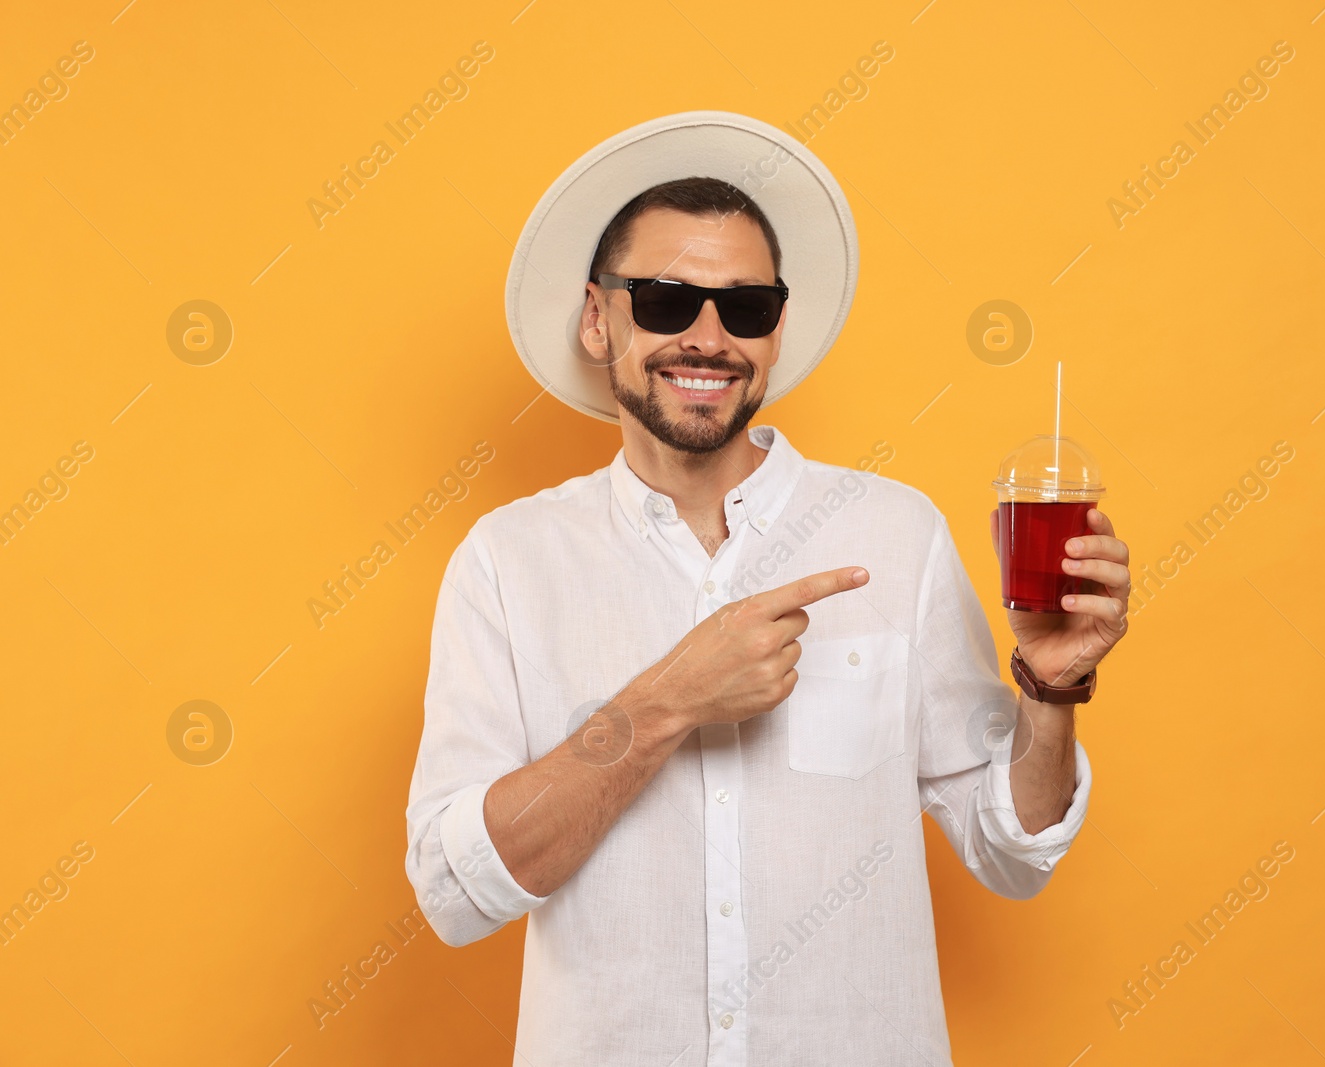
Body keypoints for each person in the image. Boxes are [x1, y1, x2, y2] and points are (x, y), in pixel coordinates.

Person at [405, 111, 1131, 1066]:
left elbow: (1014, 851)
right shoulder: (509, 560)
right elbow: (459, 892)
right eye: (666, 300)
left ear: (776, 328)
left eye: (744, 308)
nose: (708, 338)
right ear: (597, 317)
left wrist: (1049, 690)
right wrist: (668, 699)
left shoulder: (894, 534)